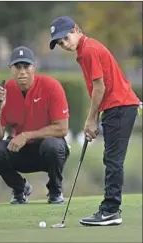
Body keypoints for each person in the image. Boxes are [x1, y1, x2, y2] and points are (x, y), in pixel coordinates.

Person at [49, 16, 140, 226]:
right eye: (60, 43)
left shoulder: (88, 50)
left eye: (65, 37)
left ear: (76, 29)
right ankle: (110, 209)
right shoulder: (85, 50)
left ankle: (110, 210)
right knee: (112, 159)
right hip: (118, 107)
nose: (64, 44)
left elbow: (100, 87)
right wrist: (96, 117)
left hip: (120, 106)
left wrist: (91, 120)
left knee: (113, 160)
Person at [0, 46, 70, 205]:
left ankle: (55, 190)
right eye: (17, 67)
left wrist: (25, 135)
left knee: (53, 146)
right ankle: (20, 189)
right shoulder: (3, 93)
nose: (22, 71)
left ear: (34, 67)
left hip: (47, 150)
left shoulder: (51, 86)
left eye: (26, 66)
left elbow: (62, 128)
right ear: (11, 69)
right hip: (21, 152)